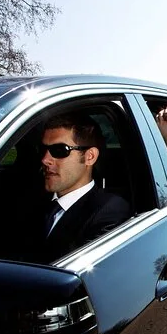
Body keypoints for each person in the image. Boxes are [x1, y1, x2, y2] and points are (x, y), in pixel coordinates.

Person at [31, 112, 131, 263]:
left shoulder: (109, 211)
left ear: (90, 156)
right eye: (42, 149)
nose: (45, 159)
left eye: (60, 150)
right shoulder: (30, 199)